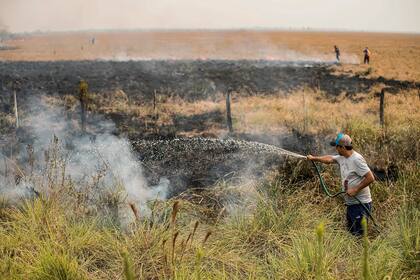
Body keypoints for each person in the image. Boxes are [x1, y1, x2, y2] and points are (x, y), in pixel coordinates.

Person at [307, 133, 375, 236]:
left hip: (361, 204)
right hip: (351, 204)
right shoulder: (342, 157)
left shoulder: (356, 159)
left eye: (336, 146)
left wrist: (356, 189)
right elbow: (329, 159)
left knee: (359, 236)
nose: (335, 149)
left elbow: (370, 178)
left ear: (342, 147)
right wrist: (314, 158)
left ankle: (363, 251)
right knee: (352, 233)